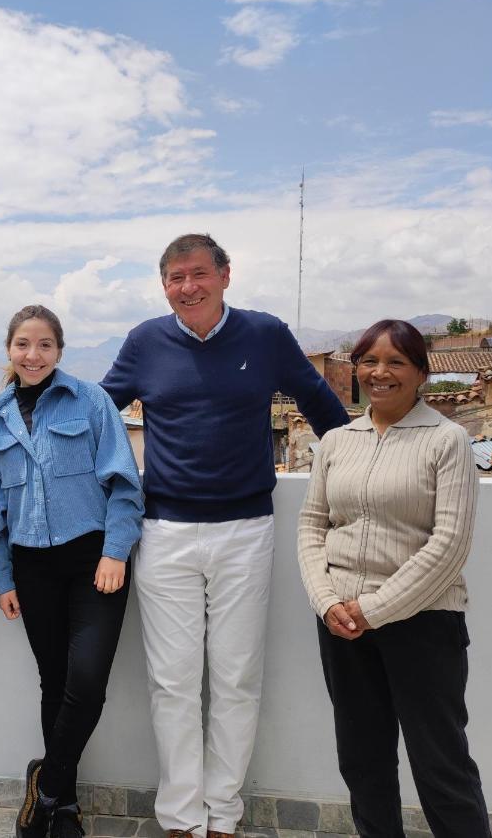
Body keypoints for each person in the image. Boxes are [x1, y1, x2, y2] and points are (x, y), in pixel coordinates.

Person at [100, 233, 349, 838]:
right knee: (172, 680)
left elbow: (319, 400)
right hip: (164, 532)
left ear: (225, 275)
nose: (188, 287)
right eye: (175, 278)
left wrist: (361, 468)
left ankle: (224, 816)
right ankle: (182, 818)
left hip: (246, 530)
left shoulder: (264, 335)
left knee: (237, 676)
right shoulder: (144, 342)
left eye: (198, 273)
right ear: (164, 286)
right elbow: (98, 413)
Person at [297, 319, 490, 838]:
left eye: (395, 362)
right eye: (369, 361)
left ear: (421, 373)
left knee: (441, 765)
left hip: (423, 624)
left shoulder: (447, 441)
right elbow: (313, 524)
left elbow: (449, 544)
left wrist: (374, 608)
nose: (379, 373)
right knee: (363, 762)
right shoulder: (337, 441)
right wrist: (327, 600)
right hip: (341, 623)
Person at [0, 305, 144, 838]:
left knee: (87, 683)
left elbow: (124, 484)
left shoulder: (90, 400)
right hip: (32, 568)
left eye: (45, 345)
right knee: (55, 682)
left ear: (59, 351)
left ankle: (44, 785)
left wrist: (116, 552)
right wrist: (3, 579)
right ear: (9, 350)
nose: (34, 355)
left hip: (95, 562)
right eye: (24, 344)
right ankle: (64, 807)